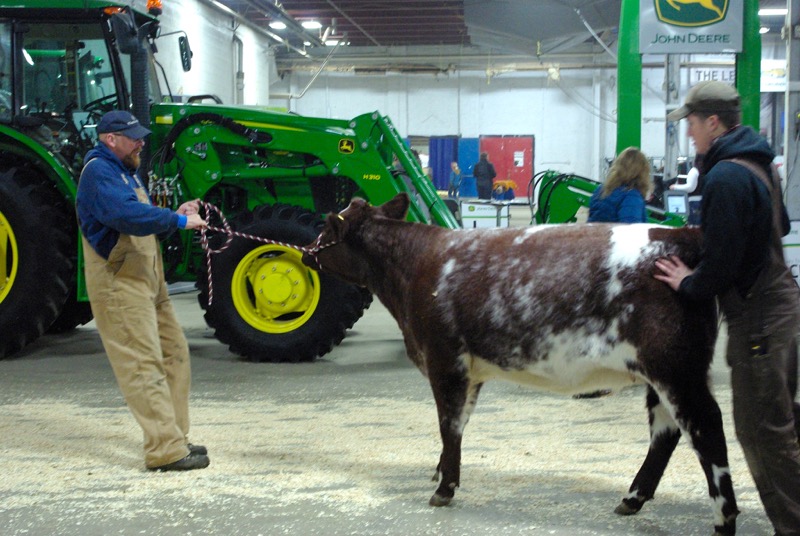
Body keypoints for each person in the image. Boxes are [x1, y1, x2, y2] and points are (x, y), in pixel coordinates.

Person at [653, 81, 800, 535]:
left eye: (692, 124)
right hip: (783, 309)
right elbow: (783, 223)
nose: (690, 134)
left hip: (757, 321)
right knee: (784, 424)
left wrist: (688, 282)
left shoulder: (724, 177)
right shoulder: (760, 165)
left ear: (713, 122)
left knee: (762, 434)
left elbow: (720, 265)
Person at [76, 110, 210, 472]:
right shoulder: (99, 172)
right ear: (110, 139)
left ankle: (176, 438)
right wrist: (179, 220)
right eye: (133, 137)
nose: (141, 142)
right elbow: (126, 217)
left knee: (174, 353)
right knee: (142, 362)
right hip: (120, 281)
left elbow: (144, 217)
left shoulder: (126, 170)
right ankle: (164, 449)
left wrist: (174, 214)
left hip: (148, 276)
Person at [587, 146, 652, 223]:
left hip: (595, 234)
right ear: (643, 172)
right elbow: (631, 230)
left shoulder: (600, 190)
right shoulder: (632, 196)